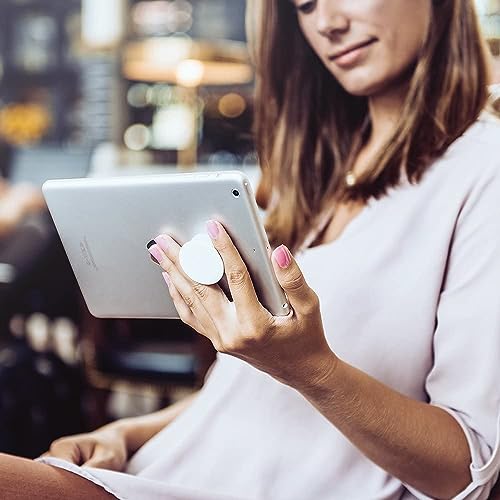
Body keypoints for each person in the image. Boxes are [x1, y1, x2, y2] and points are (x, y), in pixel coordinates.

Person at [1, 0, 500, 498]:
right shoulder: (322, 172)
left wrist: (312, 368)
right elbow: (249, 392)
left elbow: (467, 470)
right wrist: (126, 433)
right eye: (304, 6)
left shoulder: (483, 170)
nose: (327, 23)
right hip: (169, 468)